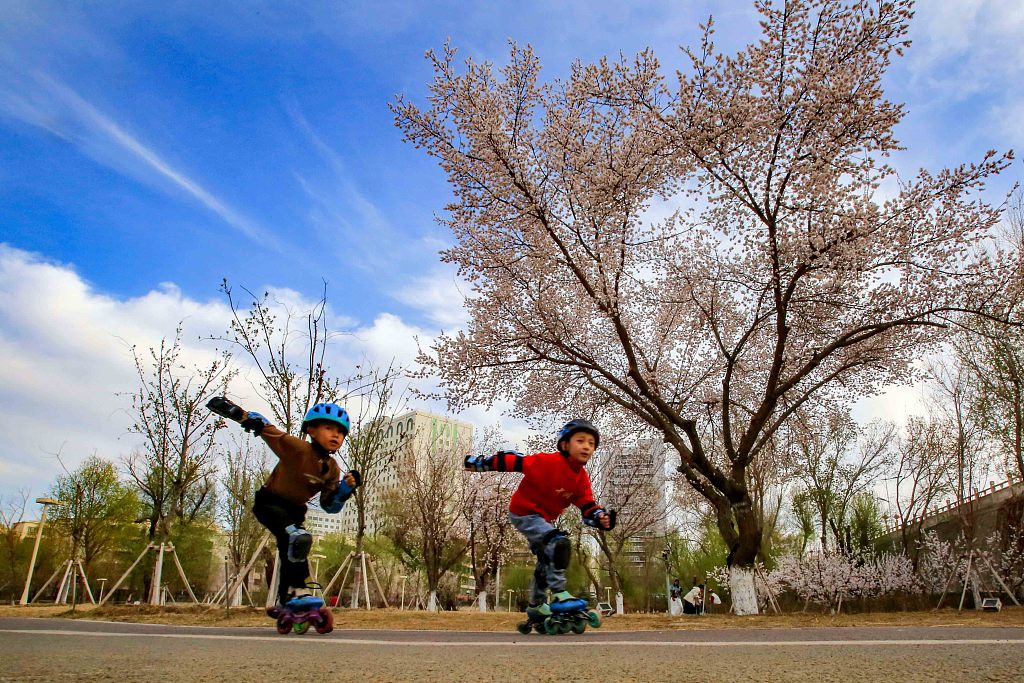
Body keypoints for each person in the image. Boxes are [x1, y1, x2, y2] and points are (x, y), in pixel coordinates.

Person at [208, 397, 361, 609]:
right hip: (270, 504)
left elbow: (330, 506)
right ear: (311, 430)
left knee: (294, 551)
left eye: (341, 432)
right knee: (297, 538)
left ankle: (285, 600)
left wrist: (345, 490)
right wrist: (236, 412)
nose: (336, 435)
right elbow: (266, 428)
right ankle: (298, 590)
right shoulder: (297, 448)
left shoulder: (332, 468)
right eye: (329, 428)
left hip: (296, 511)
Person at [464, 419, 616, 620]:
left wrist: (599, 518)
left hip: (544, 520)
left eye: (591, 443)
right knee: (558, 542)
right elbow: (514, 461)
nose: (587, 446)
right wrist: (480, 465)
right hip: (524, 512)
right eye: (580, 441)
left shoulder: (581, 478)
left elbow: (587, 505)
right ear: (565, 445)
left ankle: (536, 604)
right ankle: (560, 594)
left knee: (546, 559)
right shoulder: (548, 462)